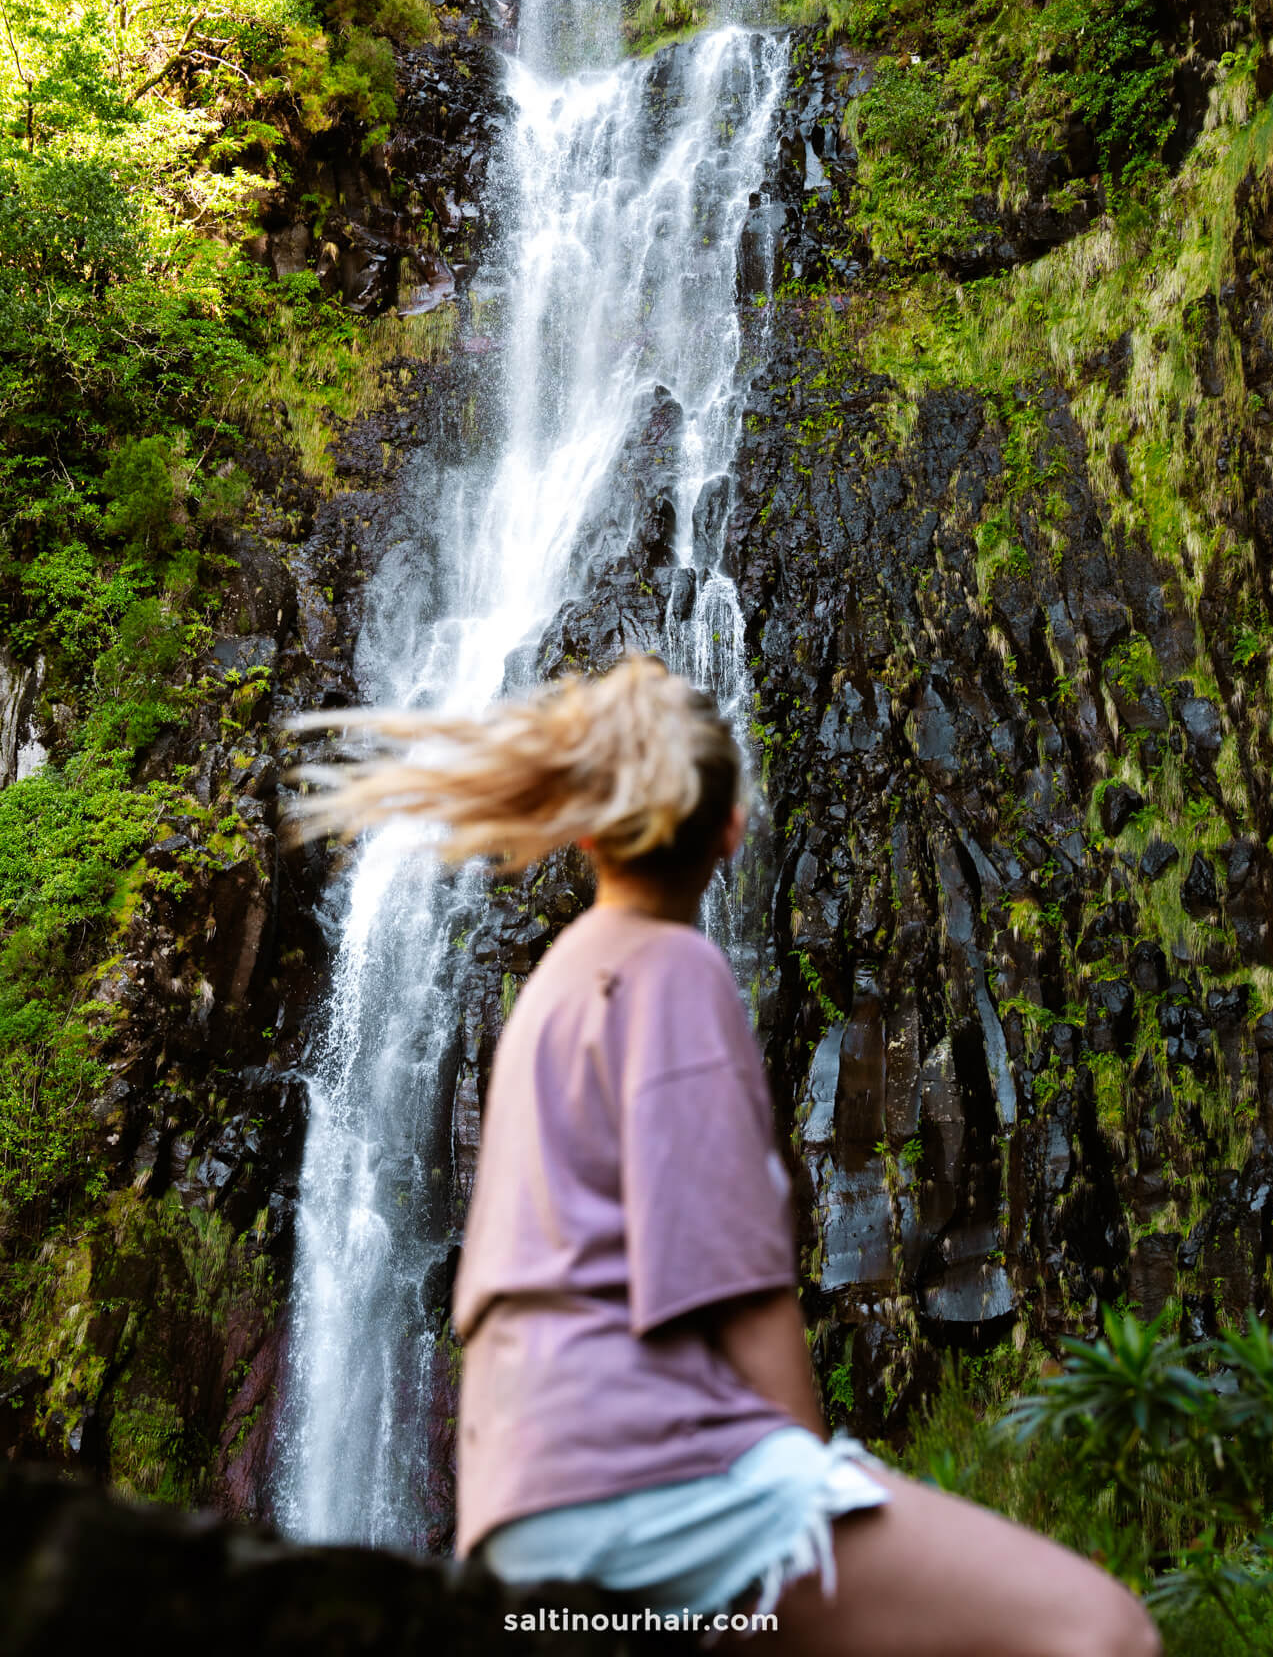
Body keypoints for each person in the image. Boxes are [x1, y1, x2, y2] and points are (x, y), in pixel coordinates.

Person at [295, 657, 1161, 1657]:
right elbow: (729, 1287)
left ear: (583, 827)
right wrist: (804, 1481)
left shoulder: (553, 990)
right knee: (1099, 1630)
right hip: (653, 1492)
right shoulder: (671, 971)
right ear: (732, 828)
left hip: (521, 1504)